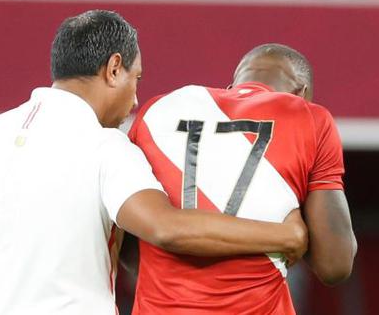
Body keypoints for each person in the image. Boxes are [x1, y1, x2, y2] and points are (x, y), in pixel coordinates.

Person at [0, 11, 308, 315]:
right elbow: (167, 229)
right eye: (137, 80)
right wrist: (285, 235)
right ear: (114, 68)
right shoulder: (105, 147)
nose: (134, 101)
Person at [127, 43, 357, 314]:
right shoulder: (310, 117)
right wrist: (294, 227)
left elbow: (126, 236)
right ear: (301, 94)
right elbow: (335, 265)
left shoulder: (159, 109)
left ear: (232, 87)